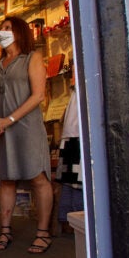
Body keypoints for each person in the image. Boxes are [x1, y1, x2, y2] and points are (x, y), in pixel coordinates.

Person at [0, 16, 53, 254]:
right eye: (0, 29)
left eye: (6, 28)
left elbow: (38, 95)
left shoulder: (32, 58)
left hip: (26, 128)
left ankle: (43, 233)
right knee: (6, 179)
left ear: (20, 32)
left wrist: (9, 119)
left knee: (37, 177)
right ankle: (5, 230)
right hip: (1, 131)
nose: (1, 33)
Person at [55, 85, 83, 233]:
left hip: (72, 133)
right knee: (76, 182)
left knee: (71, 181)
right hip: (78, 134)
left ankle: (67, 220)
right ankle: (74, 221)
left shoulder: (75, 90)